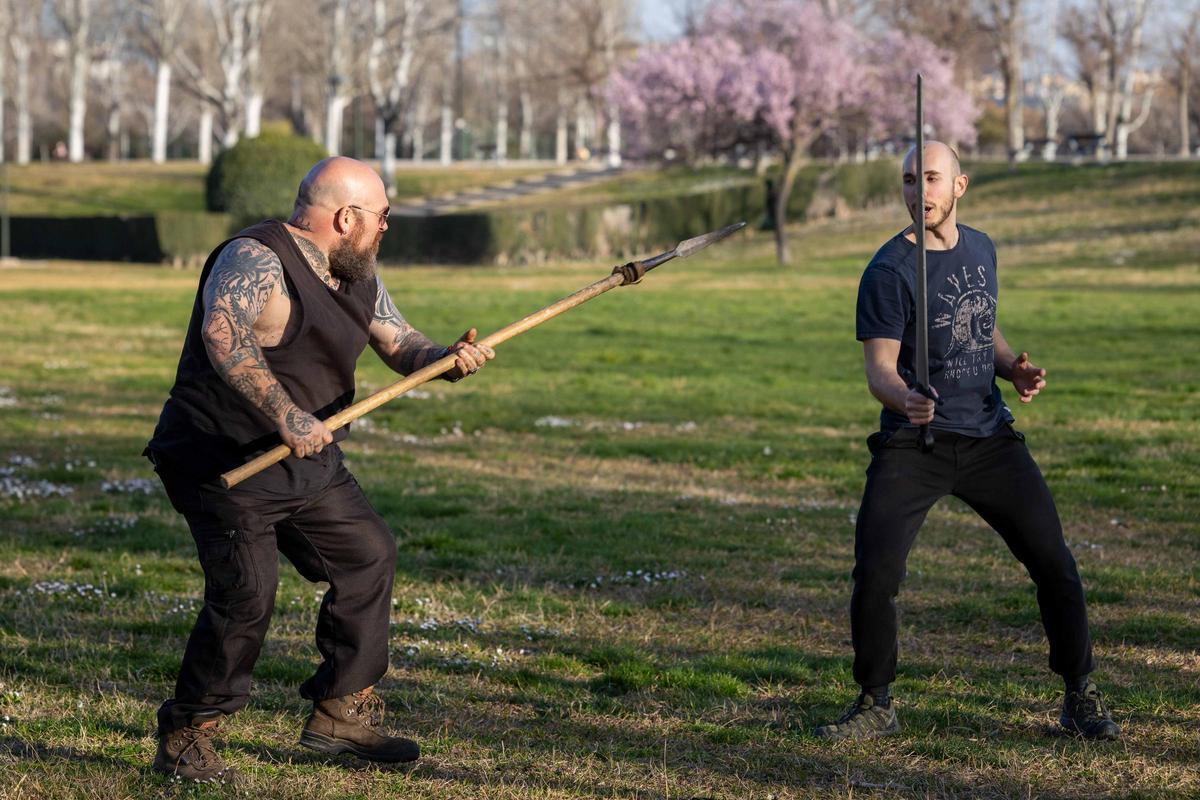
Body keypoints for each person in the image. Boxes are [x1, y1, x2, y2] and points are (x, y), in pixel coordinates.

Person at [145, 157, 495, 783]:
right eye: (382, 215)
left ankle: (340, 715)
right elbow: (225, 338)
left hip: (307, 458)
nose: (387, 226)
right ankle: (187, 735)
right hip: (223, 456)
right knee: (246, 596)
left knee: (367, 554)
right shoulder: (254, 258)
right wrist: (285, 412)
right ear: (346, 217)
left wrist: (445, 358)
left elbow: (396, 340)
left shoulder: (355, 270)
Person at [813, 142, 1119, 741]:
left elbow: (983, 323)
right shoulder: (886, 271)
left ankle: (1079, 694)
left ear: (960, 185)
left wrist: (1012, 368)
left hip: (989, 438)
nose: (916, 192)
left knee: (1054, 562)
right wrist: (906, 399)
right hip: (915, 444)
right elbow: (879, 370)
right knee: (876, 573)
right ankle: (876, 703)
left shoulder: (981, 247)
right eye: (907, 180)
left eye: (930, 178)